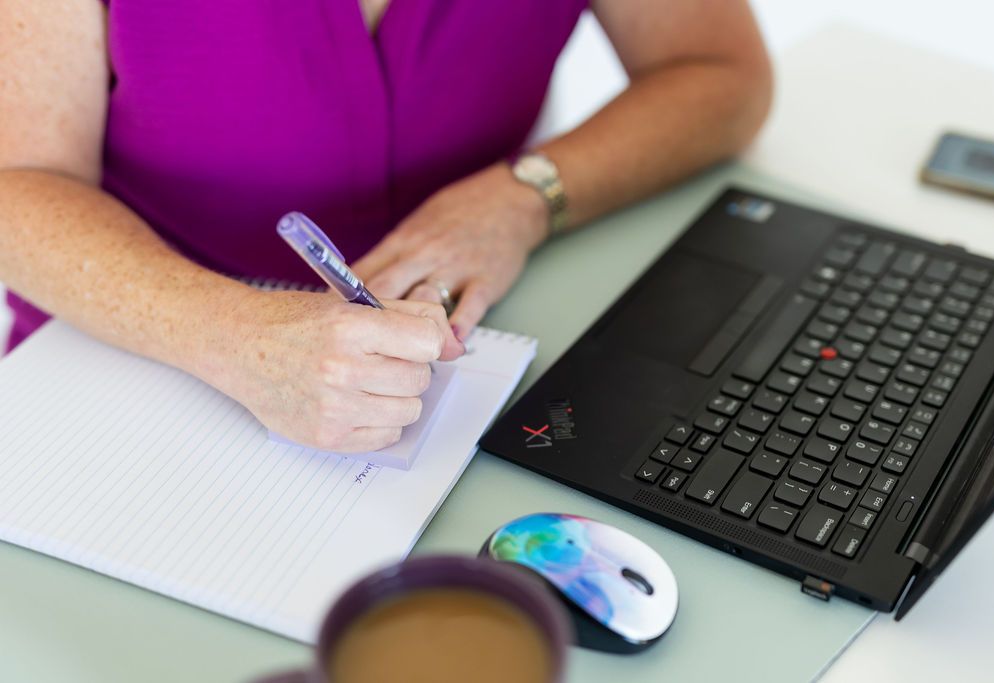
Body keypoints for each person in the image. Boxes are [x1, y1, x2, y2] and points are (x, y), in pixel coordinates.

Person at [0, 1, 772, 452]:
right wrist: (234, 335)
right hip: (132, 343)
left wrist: (526, 197)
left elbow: (719, 72)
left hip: (474, 345)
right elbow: (18, 185)